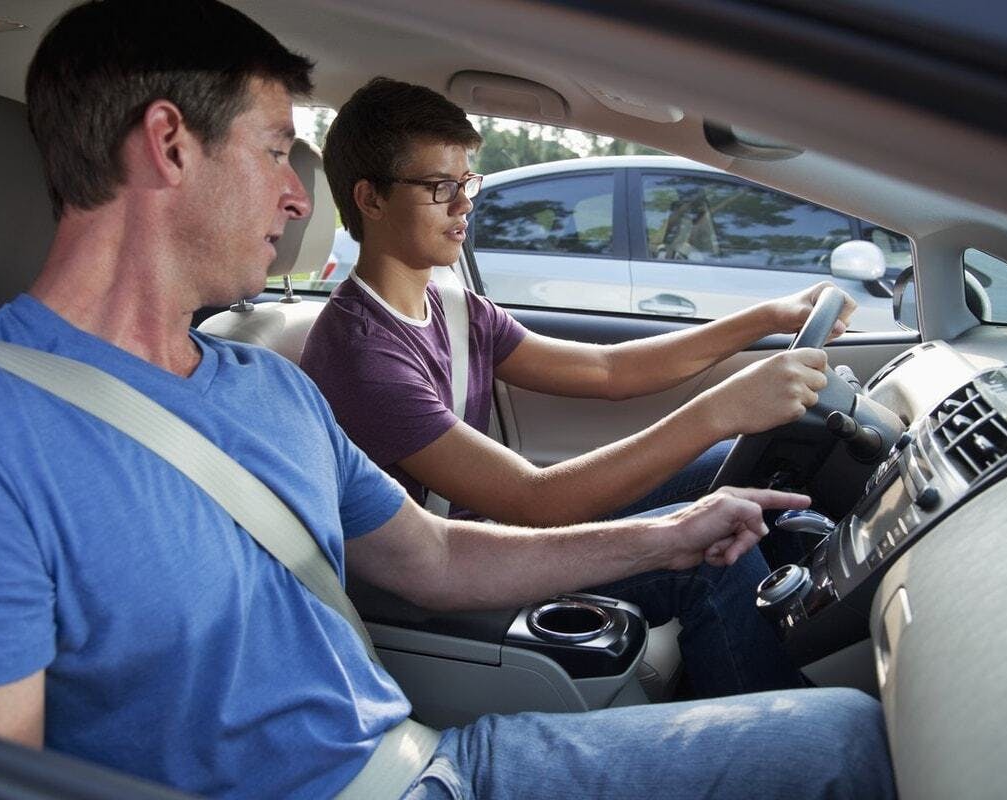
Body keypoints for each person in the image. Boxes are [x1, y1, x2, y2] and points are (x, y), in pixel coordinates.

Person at [0, 2, 894, 799]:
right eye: (276, 149)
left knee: (847, 735)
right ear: (170, 144)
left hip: (432, 758)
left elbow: (437, 556)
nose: (299, 194)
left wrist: (672, 534)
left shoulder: (267, 381)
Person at [300, 77, 850, 697]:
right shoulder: (361, 355)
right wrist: (719, 409)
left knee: (731, 464)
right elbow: (534, 501)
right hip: (449, 578)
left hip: (495, 538)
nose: (464, 205)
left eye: (466, 183)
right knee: (711, 556)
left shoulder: (453, 308)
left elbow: (607, 371)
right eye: (439, 188)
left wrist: (767, 317)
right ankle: (776, 736)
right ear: (370, 199)